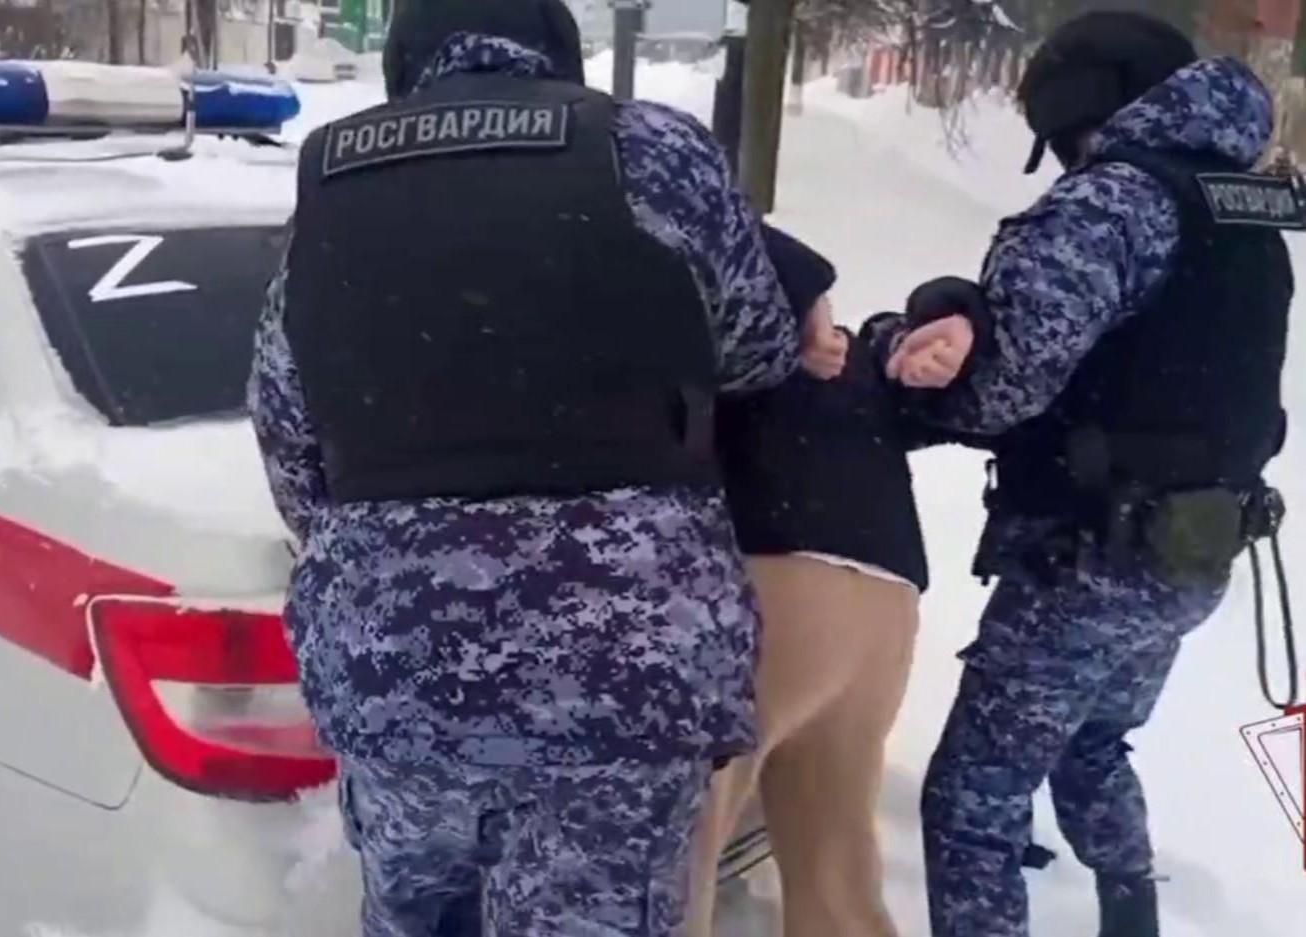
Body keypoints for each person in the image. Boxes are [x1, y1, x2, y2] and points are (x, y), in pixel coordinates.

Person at [246, 1, 824, 934]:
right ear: (556, 53)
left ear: (407, 64)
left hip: (401, 673)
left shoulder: (334, 181)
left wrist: (390, 547)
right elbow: (757, 347)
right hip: (620, 674)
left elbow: (288, 429)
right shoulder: (651, 150)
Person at [879, 12, 1297, 937]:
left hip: (1088, 558)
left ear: (1079, 106)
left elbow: (1001, 387)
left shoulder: (1111, 204)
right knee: (1092, 746)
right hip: (1193, 550)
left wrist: (893, 361)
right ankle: (1129, 916)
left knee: (973, 798)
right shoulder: (1237, 204)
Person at [683, 225, 980, 937]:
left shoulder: (721, 337)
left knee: (674, 855)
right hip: (885, 608)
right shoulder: (858, 359)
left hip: (770, 584)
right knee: (837, 873)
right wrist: (961, 316)